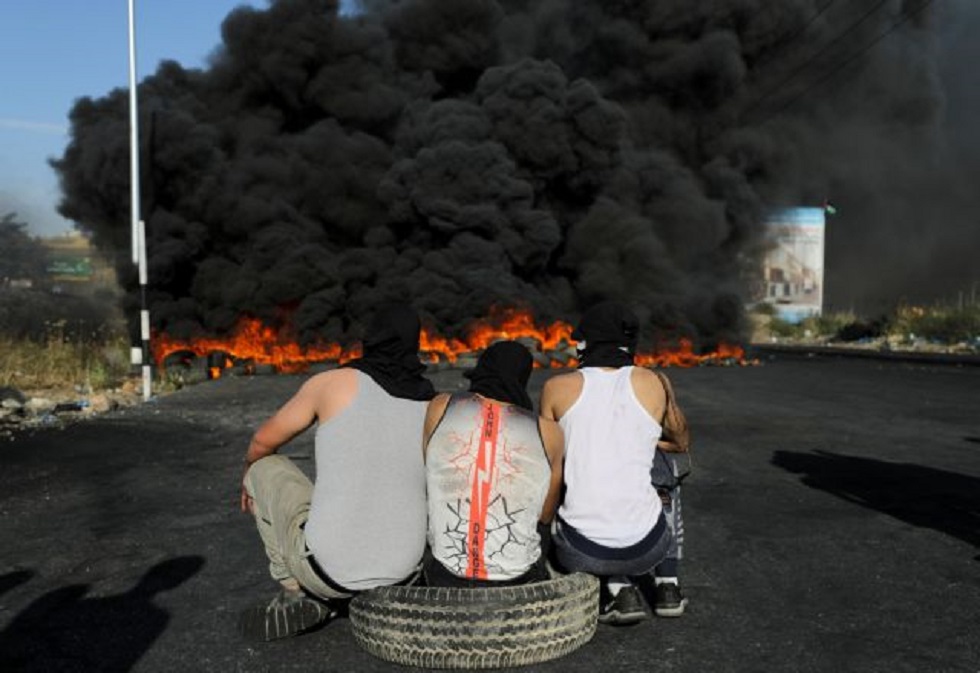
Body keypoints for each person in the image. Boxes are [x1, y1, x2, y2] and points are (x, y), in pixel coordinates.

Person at [238, 304, 436, 641]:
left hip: (324, 573)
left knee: (264, 466)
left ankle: (295, 590)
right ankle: (381, 587)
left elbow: (262, 442)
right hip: (405, 573)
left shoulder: (331, 383)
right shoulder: (432, 402)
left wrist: (248, 476)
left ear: (370, 339)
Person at [539, 301, 691, 624]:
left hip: (582, 551)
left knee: (570, 465)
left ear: (586, 343)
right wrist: (643, 439)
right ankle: (668, 585)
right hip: (649, 547)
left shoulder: (556, 388)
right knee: (664, 465)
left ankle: (619, 591)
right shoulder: (655, 382)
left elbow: (549, 455)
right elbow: (681, 443)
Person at [422, 341, 565, 586]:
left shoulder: (441, 406)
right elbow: (546, 514)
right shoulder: (549, 432)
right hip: (516, 577)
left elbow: (429, 472)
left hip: (446, 574)